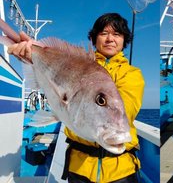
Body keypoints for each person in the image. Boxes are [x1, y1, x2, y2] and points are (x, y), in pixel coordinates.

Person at [8, 12, 145, 183]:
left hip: (120, 171)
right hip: (79, 167)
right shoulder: (77, 62)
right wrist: (30, 55)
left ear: (125, 40)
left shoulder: (132, 74)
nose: (110, 39)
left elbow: (127, 108)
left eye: (117, 34)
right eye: (104, 33)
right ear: (94, 39)